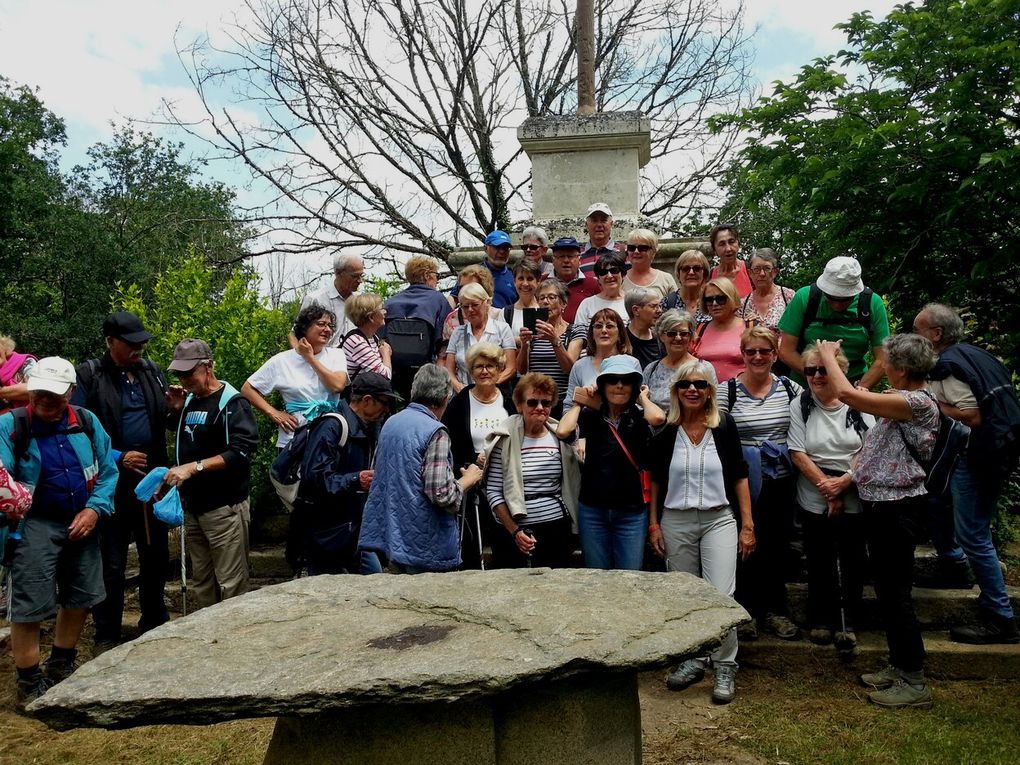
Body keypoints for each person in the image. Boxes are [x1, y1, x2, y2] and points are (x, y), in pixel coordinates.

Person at [816, 334, 939, 709]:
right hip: (882, 506)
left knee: (896, 593)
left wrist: (826, 355)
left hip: (898, 508)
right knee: (887, 591)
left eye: (887, 362)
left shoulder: (916, 402)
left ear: (902, 369)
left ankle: (914, 681)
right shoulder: (902, 400)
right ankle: (901, 665)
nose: (882, 366)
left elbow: (849, 396)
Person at [0, 357, 118, 708]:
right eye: (38, 394)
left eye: (53, 395)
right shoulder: (11, 426)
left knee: (81, 594)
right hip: (33, 523)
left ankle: (62, 663)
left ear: (70, 392)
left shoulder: (86, 422)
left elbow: (109, 469)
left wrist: (94, 508)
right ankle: (29, 679)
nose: (44, 401)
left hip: (81, 518)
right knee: (31, 601)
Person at [648, 360, 754, 705]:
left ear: (710, 391)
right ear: (676, 391)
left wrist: (747, 525)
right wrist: (654, 523)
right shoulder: (667, 430)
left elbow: (739, 475)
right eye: (684, 385)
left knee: (722, 594)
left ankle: (724, 665)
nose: (692, 389)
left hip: (718, 518)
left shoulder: (723, 426)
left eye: (700, 384)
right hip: (675, 519)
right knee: (685, 596)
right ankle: (691, 660)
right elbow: (656, 481)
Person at [913, 304, 1020, 644]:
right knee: (934, 500)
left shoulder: (948, 366)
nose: (915, 337)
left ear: (936, 334)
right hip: (999, 449)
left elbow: (971, 416)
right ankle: (953, 566)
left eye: (918, 330)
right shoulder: (975, 354)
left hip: (979, 457)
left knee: (974, 534)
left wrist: (923, 402)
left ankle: (1000, 618)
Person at [72, 311, 171, 649]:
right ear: (110, 342)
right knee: (112, 561)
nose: (139, 348)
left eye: (142, 342)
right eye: (131, 343)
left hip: (151, 478)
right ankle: (107, 633)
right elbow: (78, 427)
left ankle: (155, 622)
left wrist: (173, 408)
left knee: (155, 554)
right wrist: (118, 456)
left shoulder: (151, 372)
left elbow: (161, 423)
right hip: (110, 480)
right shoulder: (90, 374)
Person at [718, 327, 802, 641]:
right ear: (742, 354)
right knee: (744, 545)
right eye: (751, 351)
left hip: (780, 478)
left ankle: (774, 611)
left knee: (778, 545)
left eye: (764, 351)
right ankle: (746, 611)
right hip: (742, 479)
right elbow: (720, 435)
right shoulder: (728, 391)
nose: (757, 357)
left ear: (775, 355)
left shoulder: (790, 388)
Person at [788, 343, 873, 652]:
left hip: (854, 488)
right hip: (814, 491)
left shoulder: (859, 402)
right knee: (819, 557)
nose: (817, 376)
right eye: (811, 370)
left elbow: (869, 449)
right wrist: (827, 488)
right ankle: (821, 619)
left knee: (853, 559)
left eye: (824, 369)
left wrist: (843, 484)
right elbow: (797, 451)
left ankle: (848, 621)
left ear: (841, 370)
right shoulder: (801, 404)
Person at [358, 364, 484, 574]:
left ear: (413, 392)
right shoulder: (436, 432)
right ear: (446, 399)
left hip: (393, 537)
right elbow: (441, 495)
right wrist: (467, 480)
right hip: (425, 545)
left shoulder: (391, 423)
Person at [164, 339, 260, 609]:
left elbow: (241, 452)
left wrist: (193, 468)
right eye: (179, 374)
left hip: (224, 508)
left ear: (208, 367)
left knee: (230, 582)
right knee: (203, 581)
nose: (184, 380)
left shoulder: (232, 402)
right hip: (194, 508)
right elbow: (186, 434)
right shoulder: (190, 401)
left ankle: (234, 641)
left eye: (189, 373)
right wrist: (175, 409)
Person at [556, 355, 665, 569]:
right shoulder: (590, 417)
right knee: (597, 577)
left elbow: (658, 419)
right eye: (612, 380)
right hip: (593, 510)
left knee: (630, 575)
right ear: (602, 385)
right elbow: (563, 431)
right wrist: (580, 402)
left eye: (627, 381)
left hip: (631, 512)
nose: (619, 386)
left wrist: (642, 398)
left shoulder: (640, 418)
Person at [291, 371, 397, 576]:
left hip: (355, 532)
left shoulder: (370, 428)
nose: (387, 410)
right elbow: (314, 480)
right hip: (326, 535)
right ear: (367, 400)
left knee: (375, 584)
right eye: (384, 403)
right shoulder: (331, 427)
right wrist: (356, 479)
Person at [484, 372, 580, 568]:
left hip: (556, 528)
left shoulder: (559, 437)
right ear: (520, 405)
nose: (539, 408)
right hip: (514, 530)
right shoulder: (503, 438)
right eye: (532, 402)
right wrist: (515, 531)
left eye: (546, 403)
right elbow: (493, 491)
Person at [441, 343, 516, 568]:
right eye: (479, 366)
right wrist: (474, 460)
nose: (484, 371)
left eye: (490, 366)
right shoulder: (461, 401)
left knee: (506, 543)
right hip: (472, 482)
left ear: (499, 369)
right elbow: (449, 442)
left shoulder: (508, 400)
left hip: (503, 482)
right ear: (471, 371)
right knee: (472, 543)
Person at [243, 304, 349, 451]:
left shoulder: (336, 355)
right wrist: (274, 413)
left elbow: (337, 386)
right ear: (305, 327)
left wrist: (310, 359)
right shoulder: (282, 360)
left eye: (330, 326)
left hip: (329, 434)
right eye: (321, 324)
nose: (328, 329)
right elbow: (247, 389)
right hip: (293, 437)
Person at [778, 256, 890, 389]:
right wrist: (818, 378)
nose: (837, 305)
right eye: (831, 298)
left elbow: (883, 358)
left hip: (854, 383)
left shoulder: (872, 303)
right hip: (806, 384)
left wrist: (858, 392)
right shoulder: (805, 298)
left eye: (845, 299)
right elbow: (786, 351)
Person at [383, 255, 452, 399]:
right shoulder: (438, 300)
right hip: (426, 370)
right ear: (427, 275)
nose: (437, 280)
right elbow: (445, 336)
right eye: (436, 275)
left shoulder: (391, 302)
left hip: (395, 370)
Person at [517, 278, 582, 418]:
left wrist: (554, 340)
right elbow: (522, 370)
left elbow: (569, 368)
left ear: (563, 303)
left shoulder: (575, 330)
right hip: (536, 400)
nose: (545, 302)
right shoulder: (533, 332)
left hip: (563, 400)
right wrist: (524, 345)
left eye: (551, 297)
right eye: (541, 298)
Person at [444, 283, 517, 394]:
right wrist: (459, 388)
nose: (470, 310)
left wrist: (489, 386)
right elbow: (449, 370)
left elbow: (511, 368)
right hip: (464, 396)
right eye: (465, 306)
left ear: (486, 303)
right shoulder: (457, 333)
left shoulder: (502, 329)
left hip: (495, 395)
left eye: (475, 305)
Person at [643, 310, 717, 410]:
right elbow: (643, 403)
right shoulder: (651, 369)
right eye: (671, 333)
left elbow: (714, 404)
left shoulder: (704, 368)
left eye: (683, 333)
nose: (678, 338)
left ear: (690, 336)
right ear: (661, 336)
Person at [564, 308, 631, 408]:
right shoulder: (580, 366)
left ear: (620, 334)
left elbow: (637, 404)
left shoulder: (630, 363)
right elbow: (568, 406)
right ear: (592, 334)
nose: (604, 330)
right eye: (598, 326)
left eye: (610, 326)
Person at [694, 278, 750, 382]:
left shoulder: (749, 327)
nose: (715, 304)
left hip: (740, 394)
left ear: (732, 298)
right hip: (705, 394)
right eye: (709, 300)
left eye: (720, 299)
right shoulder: (699, 329)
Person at [299, 253, 365, 343]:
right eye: (354, 276)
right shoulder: (316, 299)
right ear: (338, 272)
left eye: (361, 275)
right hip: (322, 355)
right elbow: (296, 334)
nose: (360, 281)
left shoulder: (361, 300)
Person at [451, 230, 517, 308]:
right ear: (486, 248)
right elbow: (453, 298)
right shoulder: (473, 273)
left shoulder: (515, 276)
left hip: (506, 319)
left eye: (506, 248)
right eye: (497, 247)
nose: (502, 251)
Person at [738, 249, 795, 334]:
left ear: (775, 272)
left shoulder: (789, 297)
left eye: (767, 268)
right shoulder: (743, 305)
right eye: (757, 269)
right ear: (750, 273)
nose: (762, 274)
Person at [442, 264, 504, 341]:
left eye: (470, 286)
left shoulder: (499, 316)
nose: (464, 291)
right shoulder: (452, 319)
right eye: (461, 287)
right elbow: (445, 351)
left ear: (484, 288)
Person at [573, 251, 630, 331]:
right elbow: (579, 335)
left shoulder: (631, 303)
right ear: (598, 278)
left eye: (614, 271)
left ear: (623, 274)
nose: (609, 276)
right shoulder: (587, 304)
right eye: (603, 272)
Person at [549, 236, 600, 324]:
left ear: (579, 260)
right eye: (561, 256)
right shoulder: (542, 283)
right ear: (553, 260)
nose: (566, 260)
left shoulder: (593, 284)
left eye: (570, 256)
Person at [341, 293, 392, 380]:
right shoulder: (356, 341)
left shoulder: (373, 337)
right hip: (356, 393)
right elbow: (385, 376)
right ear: (371, 317)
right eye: (381, 309)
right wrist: (386, 354)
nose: (385, 312)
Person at [622, 229, 676, 300]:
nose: (636, 251)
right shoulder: (620, 279)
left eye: (642, 248)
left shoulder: (666, 279)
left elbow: (676, 309)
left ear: (653, 252)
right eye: (631, 248)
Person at [662, 249, 712, 323]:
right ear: (679, 274)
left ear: (704, 273)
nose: (691, 272)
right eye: (685, 269)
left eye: (697, 268)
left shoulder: (713, 301)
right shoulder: (667, 303)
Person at [708, 223, 752, 298]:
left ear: (739, 244)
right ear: (714, 249)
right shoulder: (710, 276)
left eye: (731, 242)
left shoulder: (750, 270)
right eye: (722, 244)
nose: (728, 249)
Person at [624, 287, 664, 368]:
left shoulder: (661, 339)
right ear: (636, 310)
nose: (659, 310)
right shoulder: (620, 339)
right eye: (654, 306)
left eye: (660, 306)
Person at [504, 260, 543, 338]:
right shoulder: (505, 313)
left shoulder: (545, 309)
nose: (525, 284)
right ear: (514, 281)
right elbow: (501, 343)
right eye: (521, 278)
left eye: (530, 279)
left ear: (538, 281)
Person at [580, 202, 624, 272]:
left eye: (604, 220)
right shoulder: (577, 255)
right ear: (586, 225)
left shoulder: (625, 252)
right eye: (594, 221)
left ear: (611, 224)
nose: (599, 225)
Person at [0, 336, 37, 414]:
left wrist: (2, 392)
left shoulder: (25, 362)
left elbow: (34, 390)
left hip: (36, 417)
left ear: (4, 346)